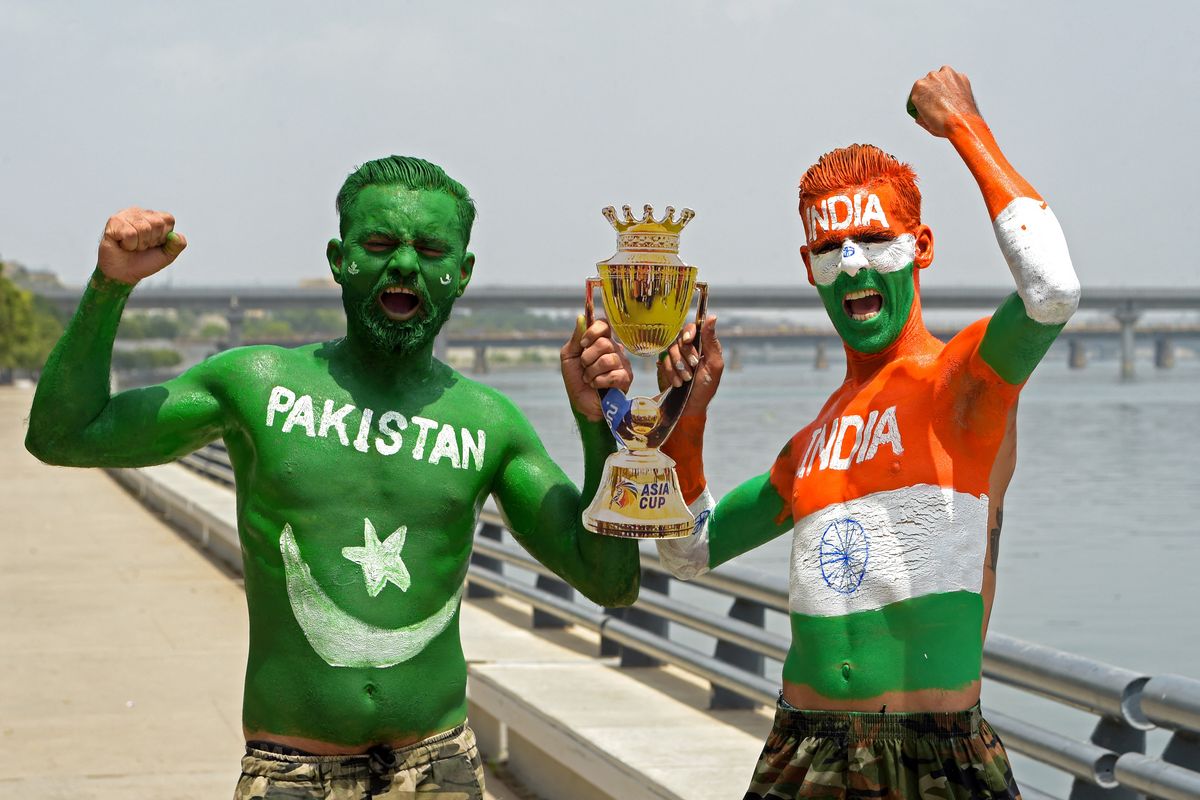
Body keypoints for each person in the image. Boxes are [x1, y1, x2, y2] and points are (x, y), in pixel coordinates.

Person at [25, 155, 641, 799]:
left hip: (439, 769)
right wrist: (109, 285)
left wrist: (600, 428)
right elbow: (63, 436)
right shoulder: (257, 385)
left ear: (462, 274)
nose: (404, 264)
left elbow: (609, 580)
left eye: (430, 249)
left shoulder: (491, 423)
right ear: (338, 259)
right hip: (291, 772)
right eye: (378, 244)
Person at [654, 66, 1080, 799]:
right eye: (832, 247)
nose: (852, 261)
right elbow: (689, 549)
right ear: (810, 267)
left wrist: (963, 127)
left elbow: (1051, 290)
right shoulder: (814, 438)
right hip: (801, 748)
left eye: (874, 238)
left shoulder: (963, 383)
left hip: (932, 754)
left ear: (921, 246)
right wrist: (686, 423)